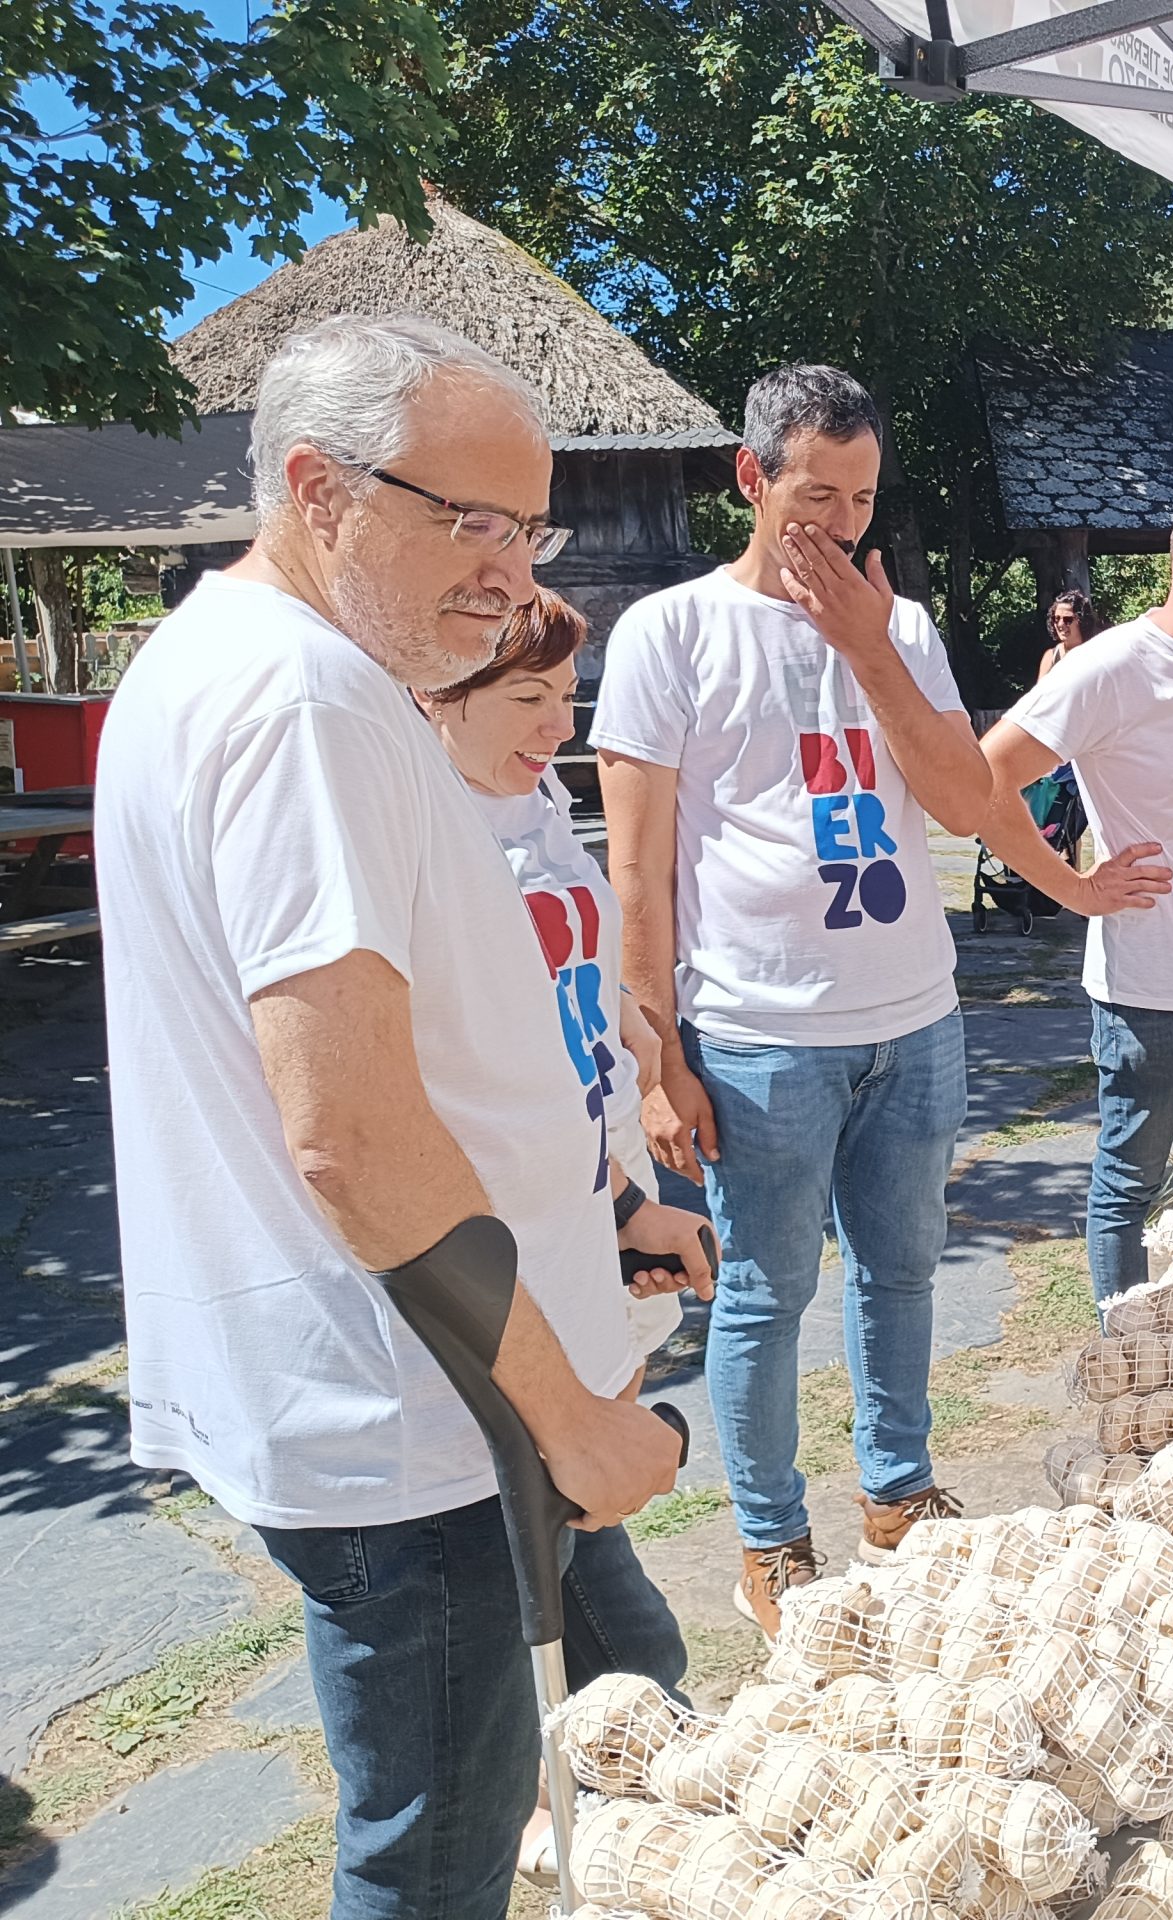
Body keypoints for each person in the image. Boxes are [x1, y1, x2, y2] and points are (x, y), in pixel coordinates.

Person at [96, 315, 690, 1918]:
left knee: (611, 1729)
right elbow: (346, 1134)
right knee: (433, 1861)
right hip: (427, 1427)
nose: (511, 575)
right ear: (319, 488)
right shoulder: (309, 705)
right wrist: (567, 1419)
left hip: (434, 1401)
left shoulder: (250, 666)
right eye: (471, 522)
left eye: (530, 526)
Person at [594, 363, 993, 1628]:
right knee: (762, 1294)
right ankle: (770, 1540)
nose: (840, 522)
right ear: (751, 478)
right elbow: (639, 871)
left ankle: (900, 1491)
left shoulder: (904, 627)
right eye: (816, 493)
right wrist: (657, 1062)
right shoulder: (673, 632)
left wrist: (872, 646)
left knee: (904, 1271)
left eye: (863, 497)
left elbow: (966, 800)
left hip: (912, 1016)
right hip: (759, 1033)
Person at [415, 585, 719, 1882]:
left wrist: (626, 1196)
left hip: (580, 1213)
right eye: (525, 700)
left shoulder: (535, 808)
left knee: (577, 1527)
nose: (557, 726)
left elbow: (585, 1020)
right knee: (538, 1543)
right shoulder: (416, 840)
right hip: (488, 1248)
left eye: (563, 700)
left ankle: (620, 1751)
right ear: (440, 698)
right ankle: (558, 1788)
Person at [977, 489, 1173, 1298]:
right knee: (1130, 1188)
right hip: (1150, 991)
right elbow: (983, 782)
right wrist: (1075, 889)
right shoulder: (1110, 667)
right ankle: (1127, 1370)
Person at [1038, 588, 1097, 680]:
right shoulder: (1051, 657)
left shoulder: (1094, 654)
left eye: (1067, 620)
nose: (1060, 624)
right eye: (1056, 619)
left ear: (1082, 621)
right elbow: (1041, 693)